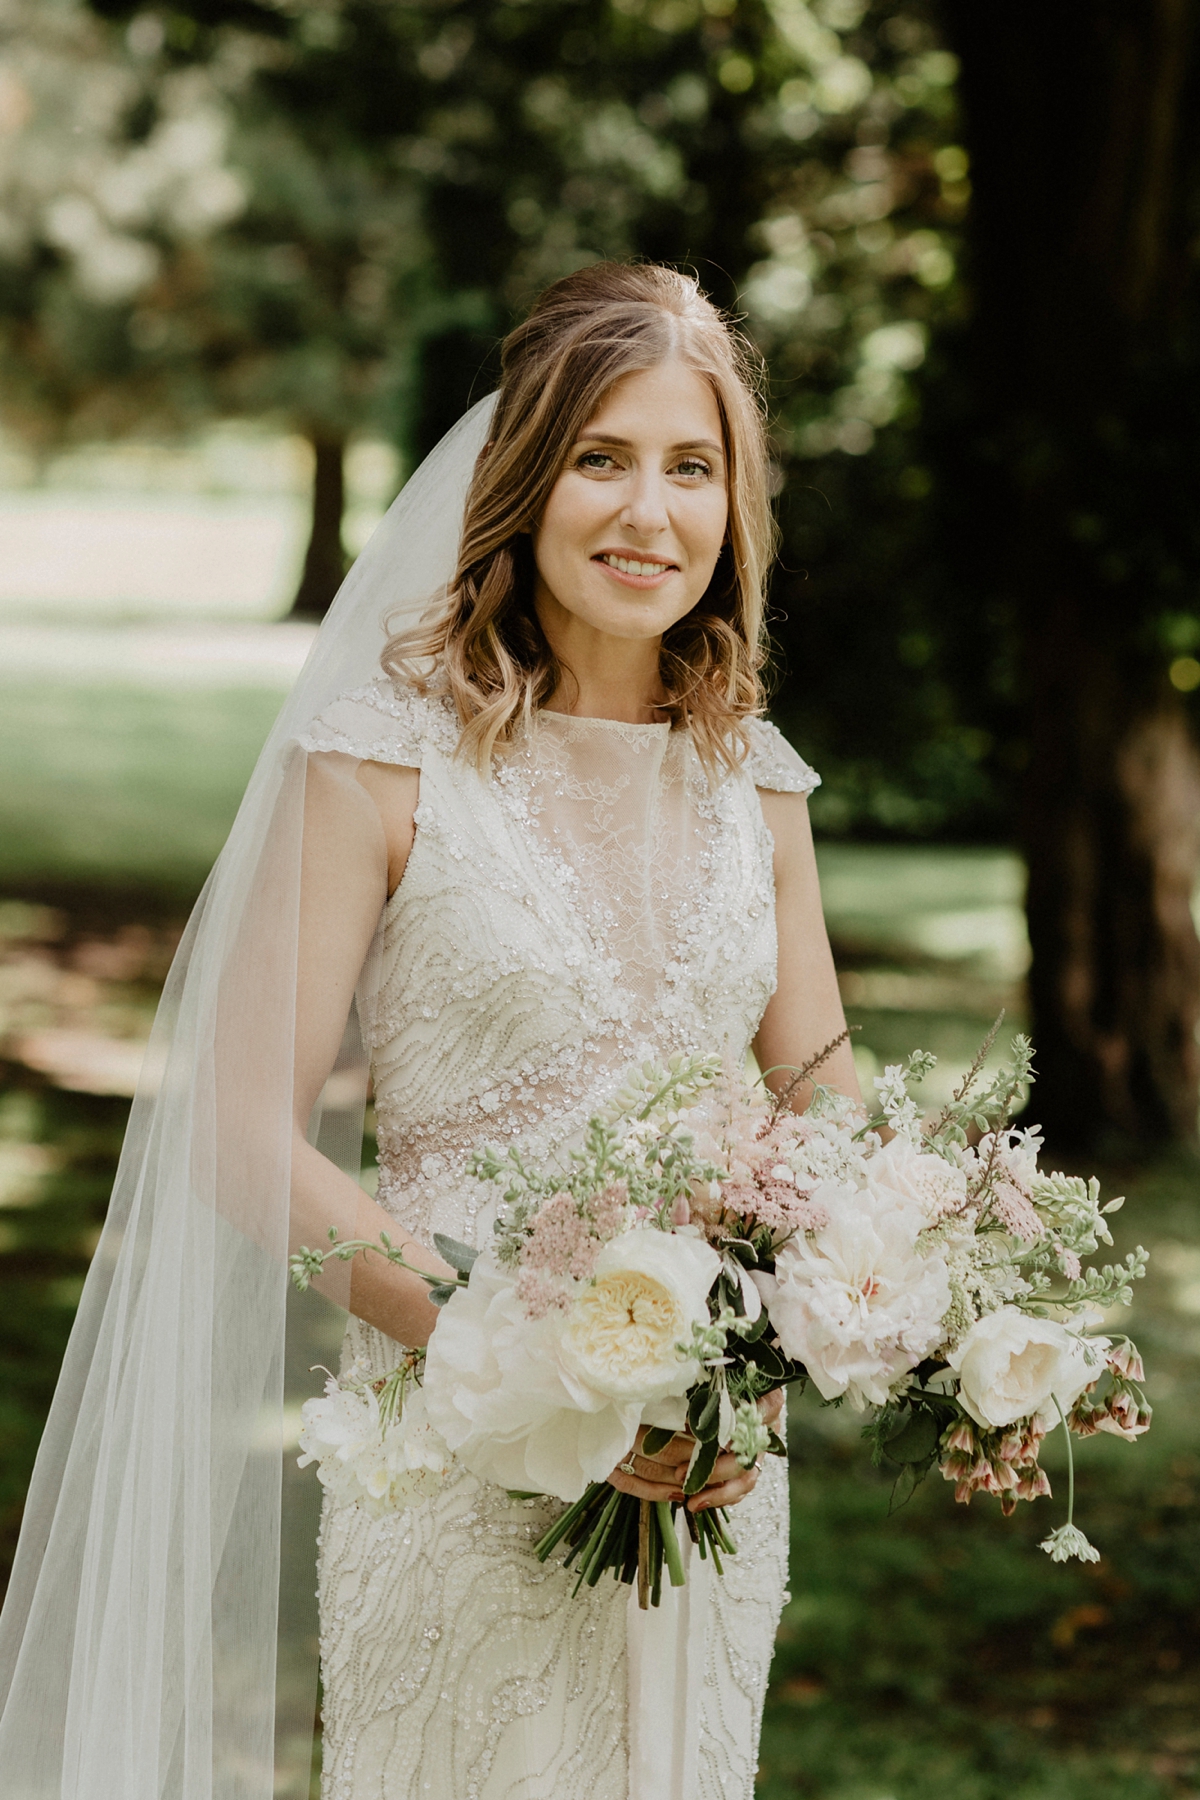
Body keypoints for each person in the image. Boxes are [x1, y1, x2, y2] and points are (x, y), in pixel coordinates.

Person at [0, 262, 858, 1800]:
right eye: (602, 457)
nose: (648, 514)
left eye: (692, 466)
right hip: (456, 1451)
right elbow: (237, 1135)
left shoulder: (762, 782)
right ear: (522, 478)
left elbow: (818, 1093)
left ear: (737, 505)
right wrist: (522, 1359)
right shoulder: (381, 766)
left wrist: (804, 1319)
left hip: (712, 1469)